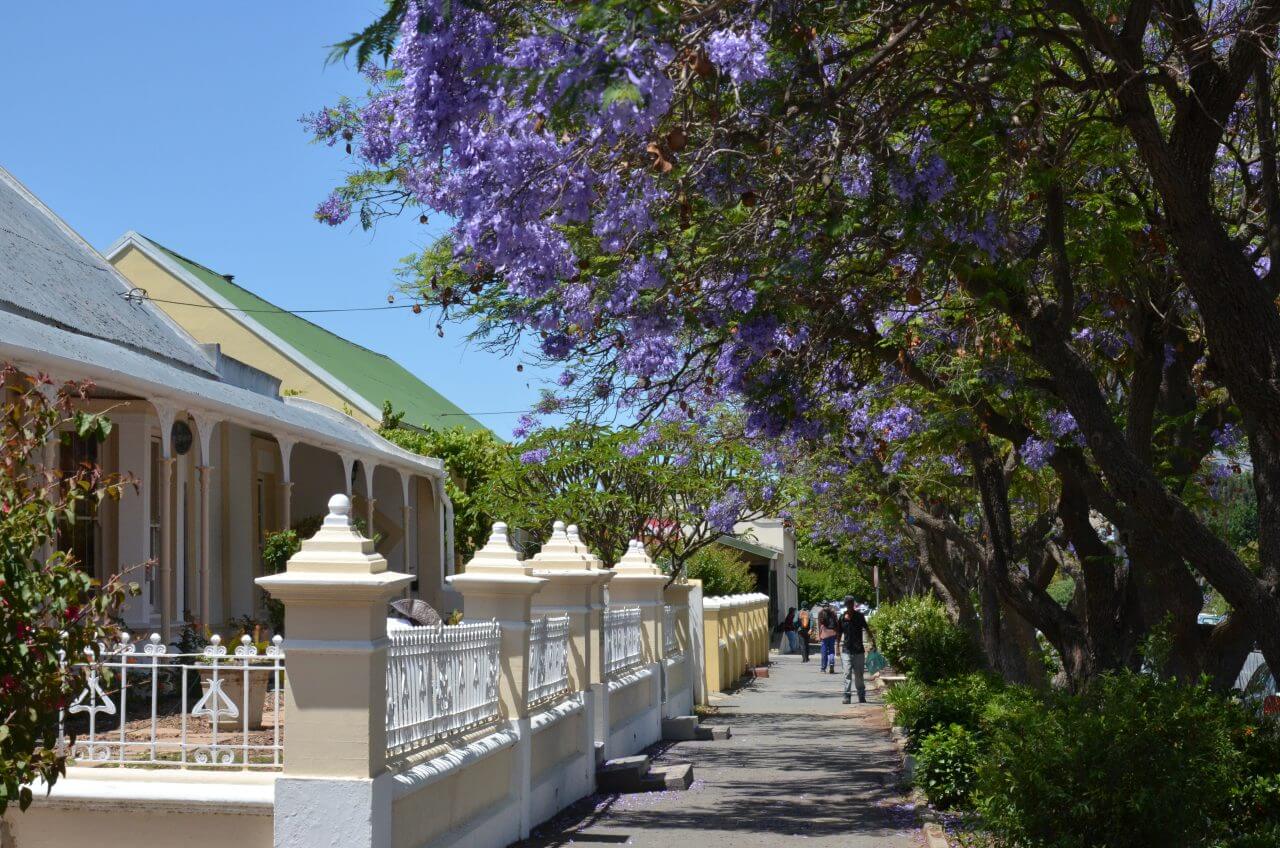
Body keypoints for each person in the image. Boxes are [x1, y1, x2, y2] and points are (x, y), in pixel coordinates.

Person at [837, 595, 877, 703]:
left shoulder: (859, 616)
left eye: (851, 603)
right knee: (847, 673)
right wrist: (837, 647)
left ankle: (861, 694)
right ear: (846, 605)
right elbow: (839, 633)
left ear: (853, 604)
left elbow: (867, 629)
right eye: (848, 603)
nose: (849, 605)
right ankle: (847, 695)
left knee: (859, 675)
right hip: (846, 650)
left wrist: (873, 642)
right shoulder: (842, 618)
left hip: (858, 650)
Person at [817, 602, 839, 673]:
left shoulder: (821, 612)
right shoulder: (833, 613)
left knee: (824, 651)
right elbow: (837, 624)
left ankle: (823, 668)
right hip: (832, 633)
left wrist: (819, 635)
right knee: (831, 650)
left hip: (824, 633)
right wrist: (837, 634)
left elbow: (819, 625)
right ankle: (831, 663)